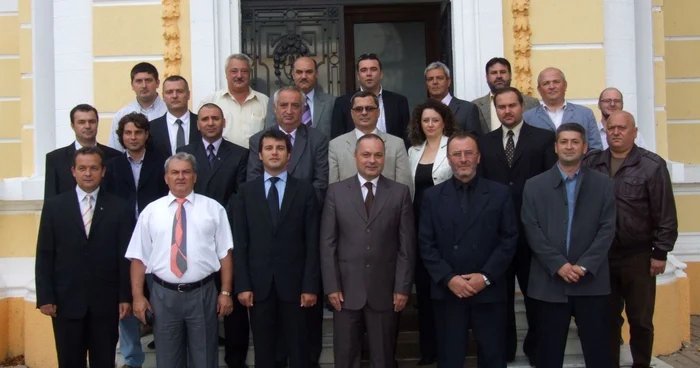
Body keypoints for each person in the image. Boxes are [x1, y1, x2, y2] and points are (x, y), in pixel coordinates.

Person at [584, 111, 678, 368]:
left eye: (622, 128)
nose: (616, 132)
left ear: (634, 132)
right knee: (608, 319)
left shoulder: (652, 165)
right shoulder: (593, 162)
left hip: (638, 257)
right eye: (611, 127)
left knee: (641, 319)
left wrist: (660, 253)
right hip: (602, 258)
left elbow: (665, 213)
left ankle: (641, 364)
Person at [126, 152, 235, 368]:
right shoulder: (151, 211)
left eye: (186, 172)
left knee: (204, 359)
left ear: (195, 176)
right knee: (167, 360)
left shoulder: (214, 209)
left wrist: (225, 292)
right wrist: (138, 296)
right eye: (174, 172)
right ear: (166, 177)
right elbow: (138, 258)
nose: (180, 177)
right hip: (163, 296)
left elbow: (225, 254)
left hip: (202, 294)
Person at [419, 132, 518, 368]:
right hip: (448, 292)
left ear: (478, 157)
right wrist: (449, 278)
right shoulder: (432, 197)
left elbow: (509, 239)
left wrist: (485, 277)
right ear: (448, 158)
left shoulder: (499, 193)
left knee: (493, 357)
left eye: (468, 153)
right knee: (449, 358)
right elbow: (425, 243)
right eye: (457, 154)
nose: (463, 159)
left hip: (489, 290)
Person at [521, 123, 616, 368]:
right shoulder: (534, 185)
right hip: (548, 284)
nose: (569, 146)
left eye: (575, 141)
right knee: (548, 355)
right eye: (564, 141)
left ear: (585, 147)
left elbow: (607, 229)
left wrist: (584, 266)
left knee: (599, 353)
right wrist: (559, 265)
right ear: (555, 147)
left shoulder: (604, 184)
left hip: (592, 283)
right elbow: (532, 230)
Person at [320, 134, 416, 368]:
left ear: (384, 158)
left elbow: (407, 246)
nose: (372, 160)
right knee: (345, 356)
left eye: (378, 155)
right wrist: (332, 286)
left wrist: (402, 288)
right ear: (355, 157)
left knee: (382, 358)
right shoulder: (336, 192)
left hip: (385, 292)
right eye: (366, 154)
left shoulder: (399, 192)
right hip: (345, 292)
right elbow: (327, 243)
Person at [478, 86, 557, 364]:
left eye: (512, 105)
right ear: (495, 109)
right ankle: (505, 350)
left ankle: (536, 349)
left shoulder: (545, 139)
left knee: (534, 297)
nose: (507, 111)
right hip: (497, 236)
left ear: (522, 106)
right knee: (500, 300)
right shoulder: (484, 143)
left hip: (532, 233)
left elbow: (552, 187)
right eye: (501, 107)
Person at [36, 146, 133, 368]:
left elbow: (124, 257)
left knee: (104, 361)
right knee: (69, 361)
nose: (88, 173)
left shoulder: (119, 207)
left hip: (105, 303)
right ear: (73, 171)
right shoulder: (54, 207)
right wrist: (45, 296)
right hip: (65, 302)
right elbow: (44, 254)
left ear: (103, 171)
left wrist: (124, 297)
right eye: (82, 168)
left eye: (93, 168)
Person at [234, 129, 320, 368]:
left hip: (296, 287)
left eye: (280, 148)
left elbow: (313, 242)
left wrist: (310, 285)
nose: (274, 153)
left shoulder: (304, 190)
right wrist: (243, 285)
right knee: (265, 353)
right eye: (269, 148)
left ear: (289, 155)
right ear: (259, 155)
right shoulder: (245, 192)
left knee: (299, 351)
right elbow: (240, 242)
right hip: (258, 288)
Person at [177, 103, 250, 368]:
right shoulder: (184, 153)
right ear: (198, 124)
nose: (210, 123)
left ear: (223, 122)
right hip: (191, 239)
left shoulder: (240, 153)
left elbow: (240, 193)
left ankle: (235, 359)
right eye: (205, 119)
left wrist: (215, 219)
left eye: (215, 118)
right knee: (199, 299)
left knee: (231, 300)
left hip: (227, 234)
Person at [103, 112, 168, 368]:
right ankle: (131, 358)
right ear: (122, 137)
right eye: (128, 133)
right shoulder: (113, 166)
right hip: (124, 242)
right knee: (127, 299)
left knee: (161, 300)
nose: (133, 137)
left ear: (146, 135)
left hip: (158, 241)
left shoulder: (162, 163)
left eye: (138, 132)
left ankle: (166, 352)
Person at [406, 98, 457, 365]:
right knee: (424, 291)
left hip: (447, 227)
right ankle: (429, 352)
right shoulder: (414, 150)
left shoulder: (454, 146)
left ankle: (448, 350)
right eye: (425, 120)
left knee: (445, 290)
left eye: (435, 120)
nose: (430, 124)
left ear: (444, 121)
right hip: (418, 226)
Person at [248, 86, 329, 205]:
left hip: (304, 211)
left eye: (295, 106)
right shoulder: (258, 139)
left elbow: (320, 183)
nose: (289, 111)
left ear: (302, 109)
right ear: (275, 108)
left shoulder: (317, 139)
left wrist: (296, 207)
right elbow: (253, 180)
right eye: (283, 105)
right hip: (268, 209)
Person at [329, 91, 412, 194]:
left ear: (378, 112)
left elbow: (405, 189)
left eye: (369, 108)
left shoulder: (396, 144)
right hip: (347, 209)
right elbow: (333, 191)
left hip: (389, 208)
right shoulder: (336, 146)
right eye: (359, 109)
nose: (364, 113)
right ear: (352, 113)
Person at [44, 104, 121, 198]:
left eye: (92, 121)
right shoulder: (55, 159)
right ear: (73, 126)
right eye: (81, 122)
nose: (87, 126)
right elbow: (50, 200)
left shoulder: (115, 156)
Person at [331, 54, 410, 145]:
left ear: (381, 74)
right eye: (363, 70)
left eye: (373, 69)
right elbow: (337, 139)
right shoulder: (342, 103)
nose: (369, 74)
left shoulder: (399, 102)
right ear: (358, 76)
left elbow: (406, 138)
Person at [523, 67, 603, 150]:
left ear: (565, 85)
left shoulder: (585, 114)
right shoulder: (528, 117)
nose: (551, 86)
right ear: (539, 89)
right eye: (546, 83)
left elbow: (595, 150)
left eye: (556, 82)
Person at [201, 53, 269, 148]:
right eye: (234, 71)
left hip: (254, 160)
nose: (239, 76)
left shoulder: (264, 102)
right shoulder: (211, 101)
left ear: (250, 74)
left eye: (244, 71)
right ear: (226, 74)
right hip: (222, 160)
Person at [265, 57, 336, 137]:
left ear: (316, 74)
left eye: (309, 72)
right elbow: (270, 133)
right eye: (299, 72)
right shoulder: (277, 100)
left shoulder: (331, 102)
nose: (304, 76)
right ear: (293, 74)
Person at [108, 62, 168, 151]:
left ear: (157, 83)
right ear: (132, 85)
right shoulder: (122, 115)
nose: (144, 86)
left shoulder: (169, 111)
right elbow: (115, 151)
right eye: (139, 81)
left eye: (148, 80)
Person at [471, 57, 539, 133]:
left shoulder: (531, 103)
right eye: (494, 73)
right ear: (487, 77)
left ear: (510, 75)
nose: (499, 76)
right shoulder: (475, 105)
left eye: (503, 72)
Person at [149, 75, 202, 159]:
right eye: (169, 92)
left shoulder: (202, 123)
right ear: (163, 96)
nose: (174, 96)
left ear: (188, 94)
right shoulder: (151, 127)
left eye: (180, 91)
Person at [424, 61, 482, 136]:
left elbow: (474, 141)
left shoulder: (468, 109)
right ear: (426, 84)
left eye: (439, 78)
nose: (435, 82)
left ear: (448, 82)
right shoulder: (421, 112)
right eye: (430, 79)